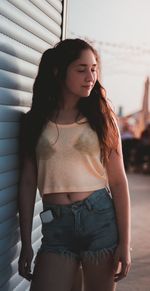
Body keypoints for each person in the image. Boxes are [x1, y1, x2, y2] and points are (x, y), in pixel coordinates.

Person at [18, 38, 131, 291]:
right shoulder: (34, 121)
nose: (90, 76)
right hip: (56, 226)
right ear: (58, 72)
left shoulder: (103, 117)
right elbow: (27, 182)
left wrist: (125, 243)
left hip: (100, 220)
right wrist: (26, 242)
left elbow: (118, 181)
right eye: (81, 69)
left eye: (93, 69)